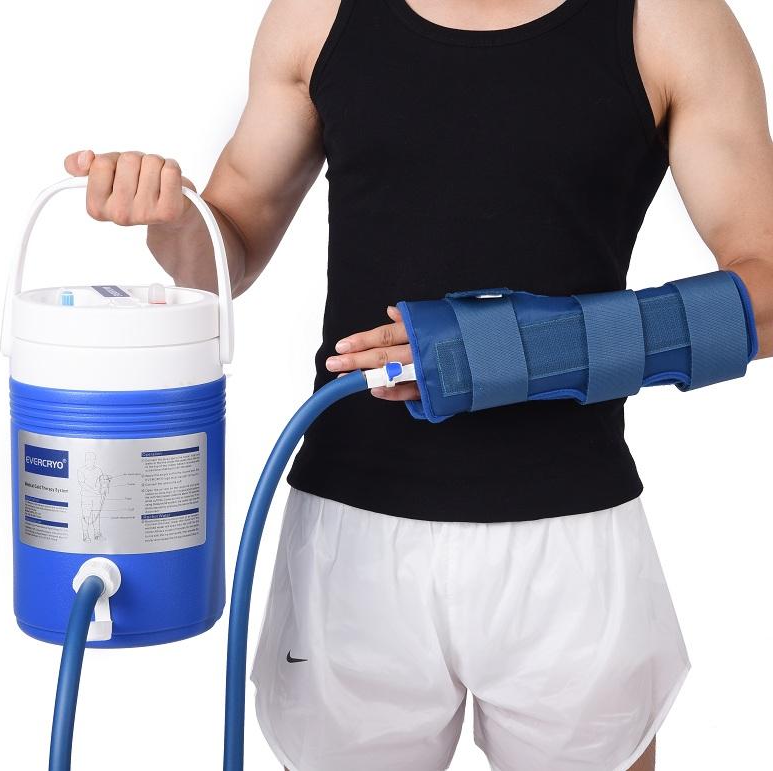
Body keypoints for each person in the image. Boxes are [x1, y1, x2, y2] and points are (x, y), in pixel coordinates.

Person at [63, 0, 773, 768]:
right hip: (351, 532)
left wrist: (527, 349)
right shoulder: (317, 14)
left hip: (569, 534)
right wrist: (169, 217)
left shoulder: (668, 20)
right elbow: (224, 252)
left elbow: (766, 292)